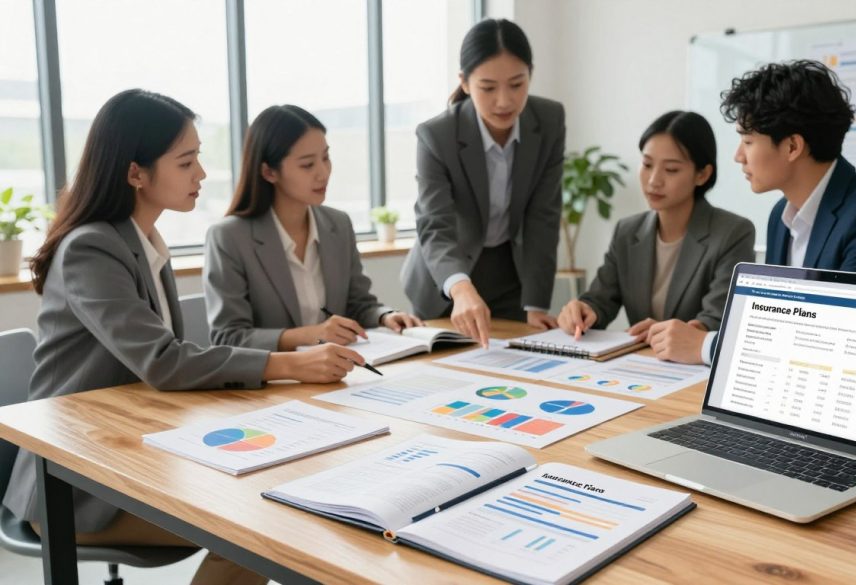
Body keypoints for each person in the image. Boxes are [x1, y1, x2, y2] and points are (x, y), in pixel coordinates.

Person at [2, 90, 364, 585]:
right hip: (76, 482)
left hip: (134, 444)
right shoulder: (92, 247)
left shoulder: (143, 240)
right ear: (136, 173)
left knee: (280, 496)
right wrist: (293, 364)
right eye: (186, 161)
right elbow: (164, 361)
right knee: (260, 527)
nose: (201, 174)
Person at [649, 59, 856, 365]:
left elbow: (847, 343)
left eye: (748, 141)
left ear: (792, 146)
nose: (738, 156)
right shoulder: (782, 215)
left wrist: (707, 346)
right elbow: (775, 324)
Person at [400, 18, 565, 347]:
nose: (504, 101)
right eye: (488, 88)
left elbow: (543, 215)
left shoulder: (548, 120)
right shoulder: (437, 135)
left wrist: (535, 303)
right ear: (464, 82)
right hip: (444, 281)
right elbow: (435, 225)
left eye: (517, 84)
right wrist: (461, 289)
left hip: (509, 277)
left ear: (530, 73)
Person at [204, 105, 421, 351]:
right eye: (307, 165)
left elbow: (358, 305)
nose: (323, 173)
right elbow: (229, 337)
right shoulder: (229, 237)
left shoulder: (338, 225)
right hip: (273, 381)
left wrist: (385, 316)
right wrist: (312, 335)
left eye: (326, 158)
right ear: (268, 171)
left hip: (340, 374)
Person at [556, 111, 754, 342]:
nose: (653, 180)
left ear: (702, 174)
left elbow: (718, 319)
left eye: (671, 169)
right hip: (640, 366)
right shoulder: (627, 231)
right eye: (647, 165)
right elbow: (600, 300)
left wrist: (682, 333)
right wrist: (583, 311)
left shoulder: (733, 233)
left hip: (695, 369)